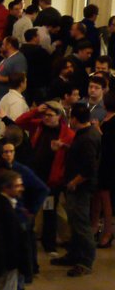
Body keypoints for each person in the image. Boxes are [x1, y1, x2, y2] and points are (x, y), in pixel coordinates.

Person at [56, 103, 101, 276]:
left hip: (81, 187)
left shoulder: (87, 138)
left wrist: (74, 182)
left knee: (81, 224)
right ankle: (74, 254)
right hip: (77, 185)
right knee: (74, 222)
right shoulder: (86, 134)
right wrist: (66, 147)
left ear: (74, 119)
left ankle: (86, 261)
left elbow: (89, 168)